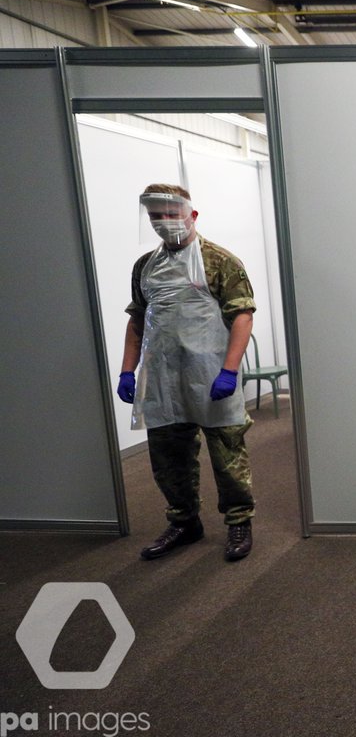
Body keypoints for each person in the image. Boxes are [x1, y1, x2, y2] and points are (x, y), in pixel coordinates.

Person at [116, 184, 258, 562]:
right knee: (168, 458)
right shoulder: (146, 265)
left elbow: (242, 315)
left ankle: (239, 522)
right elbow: (138, 320)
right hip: (163, 377)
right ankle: (184, 522)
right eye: (156, 216)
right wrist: (127, 371)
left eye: (171, 213)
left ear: (192, 215)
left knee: (227, 455)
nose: (164, 222)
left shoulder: (219, 261)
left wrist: (229, 370)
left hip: (211, 372)